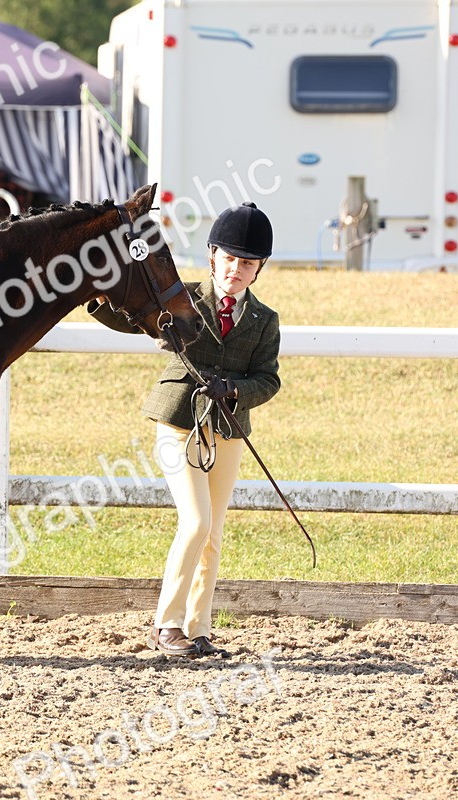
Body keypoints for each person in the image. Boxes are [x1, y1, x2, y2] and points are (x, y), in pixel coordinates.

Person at [88, 202, 281, 657]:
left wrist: (234, 389)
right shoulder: (183, 298)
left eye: (247, 263)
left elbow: (268, 379)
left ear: (259, 269)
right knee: (196, 521)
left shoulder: (264, 319)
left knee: (213, 534)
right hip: (178, 422)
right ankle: (166, 625)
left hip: (227, 430)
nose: (235, 270)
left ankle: (197, 627)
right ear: (212, 255)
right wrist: (96, 290)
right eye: (229, 259)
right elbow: (125, 315)